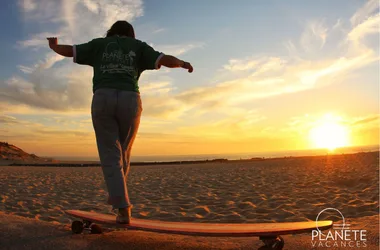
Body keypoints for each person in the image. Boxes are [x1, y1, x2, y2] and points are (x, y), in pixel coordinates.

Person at [47, 20, 193, 224]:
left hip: (103, 98)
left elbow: (71, 50)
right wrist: (183, 64)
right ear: (130, 34)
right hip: (130, 99)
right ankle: (120, 202)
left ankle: (122, 206)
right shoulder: (138, 46)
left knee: (110, 154)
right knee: (123, 153)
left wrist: (54, 47)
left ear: (111, 32)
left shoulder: (99, 44)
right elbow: (164, 59)